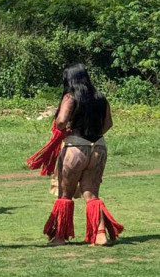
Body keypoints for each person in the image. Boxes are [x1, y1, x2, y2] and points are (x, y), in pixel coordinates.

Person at [26, 64, 123, 246]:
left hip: (75, 147)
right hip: (98, 147)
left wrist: (64, 127)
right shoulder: (100, 97)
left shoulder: (70, 96)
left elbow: (61, 121)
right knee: (92, 194)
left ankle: (60, 237)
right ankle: (100, 233)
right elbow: (108, 124)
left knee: (65, 194)